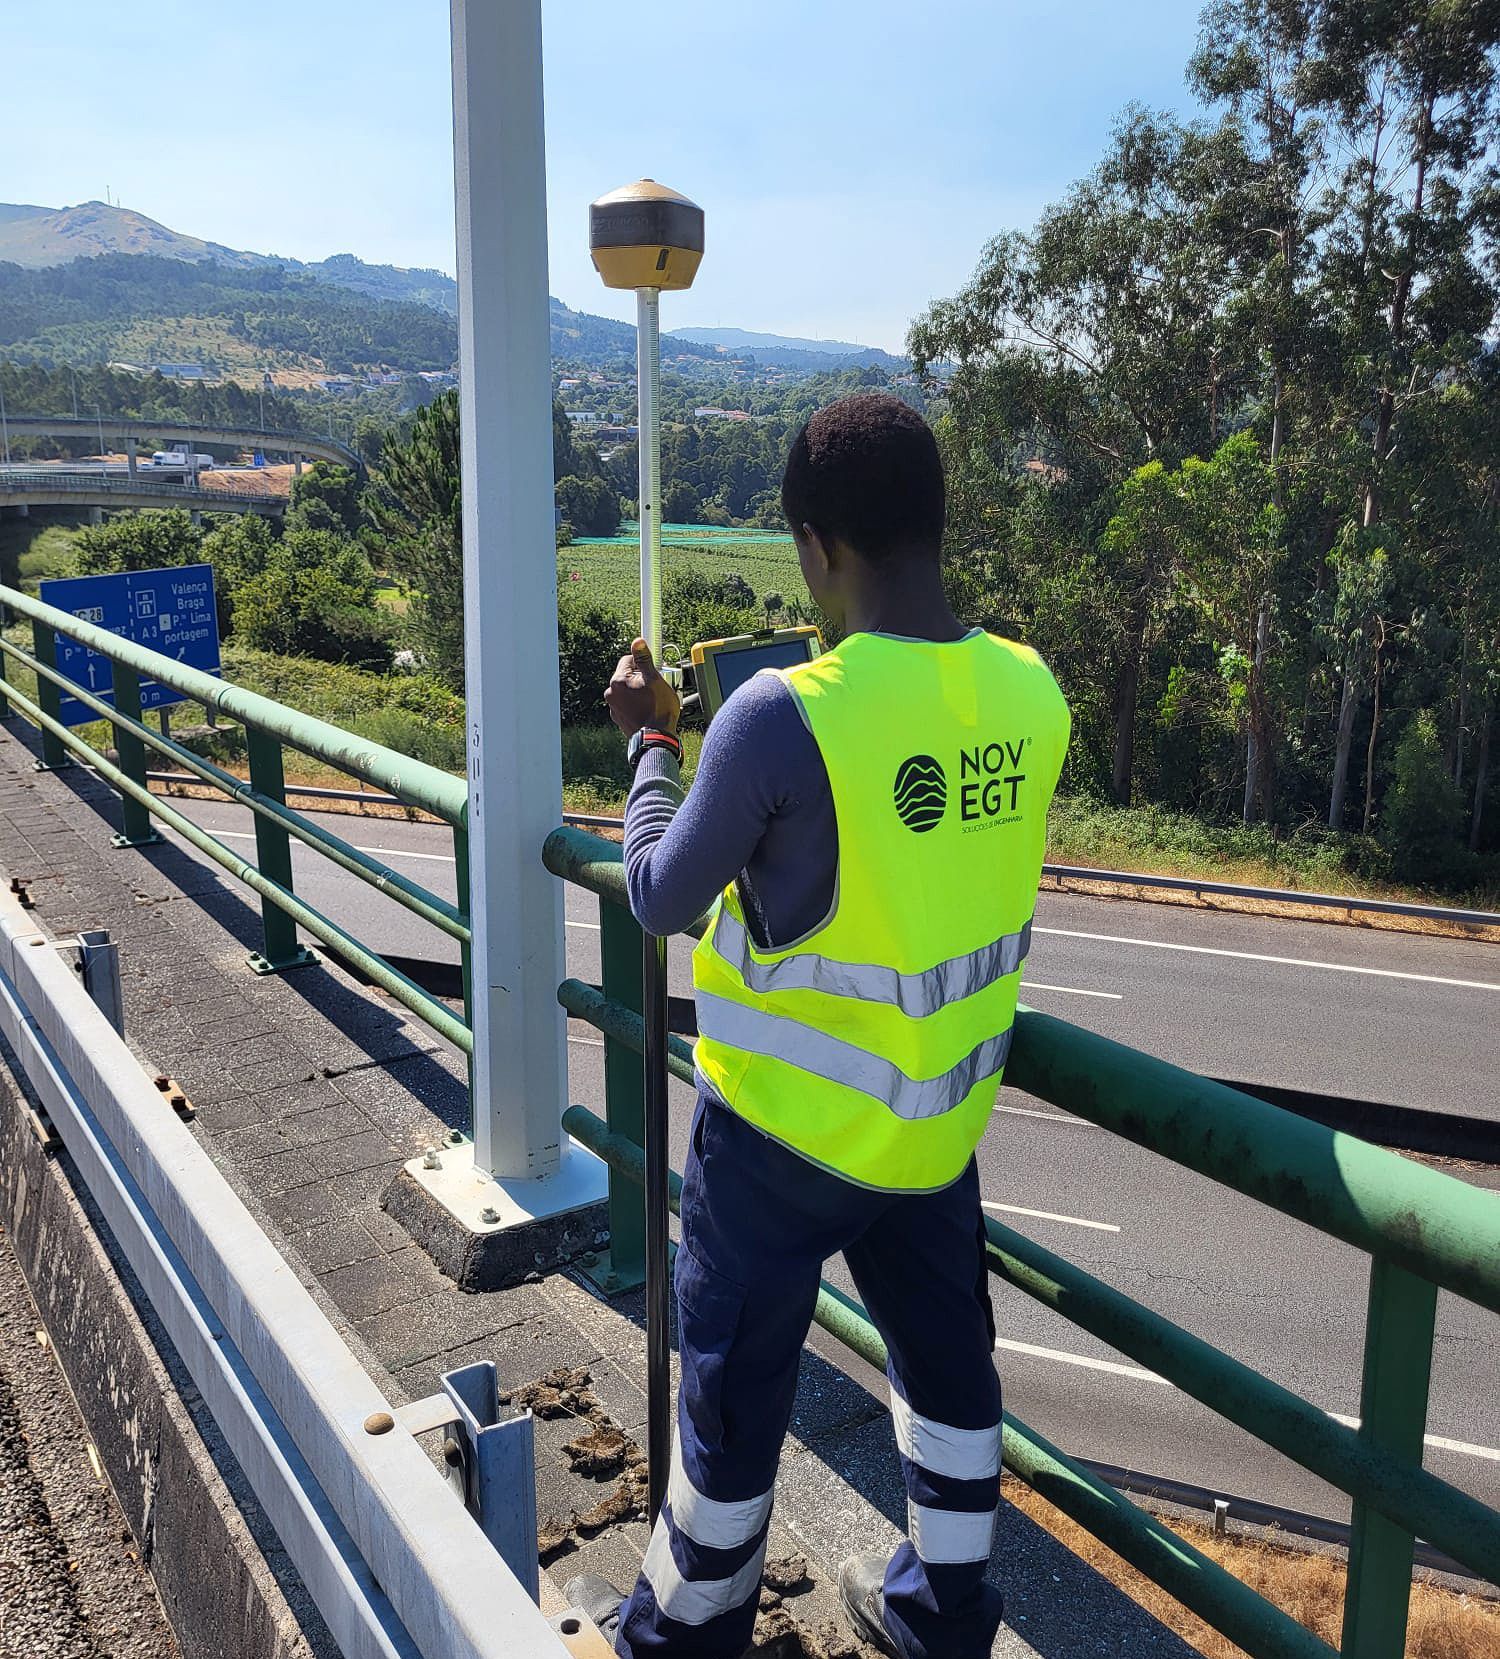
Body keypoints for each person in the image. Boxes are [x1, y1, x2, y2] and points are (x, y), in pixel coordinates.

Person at [598, 392, 1070, 1659]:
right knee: (951, 1384)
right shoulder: (1033, 692)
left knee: (732, 1410)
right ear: (936, 522)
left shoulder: (779, 714)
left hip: (780, 1147)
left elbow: (660, 894)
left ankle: (686, 1634)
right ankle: (945, 1616)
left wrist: (652, 745)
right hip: (934, 1131)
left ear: (814, 545)